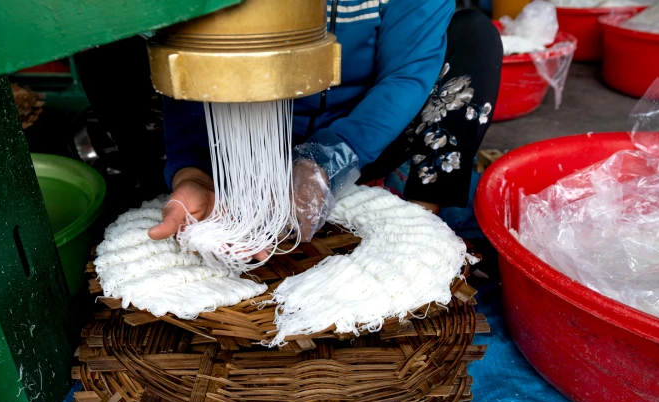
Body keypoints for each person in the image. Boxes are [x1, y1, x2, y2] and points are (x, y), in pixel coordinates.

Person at [149, 1, 502, 247]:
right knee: (113, 43)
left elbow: (405, 76)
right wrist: (193, 172)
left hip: (361, 142)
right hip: (235, 147)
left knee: (473, 36)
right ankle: (190, 193)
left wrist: (325, 161)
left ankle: (417, 224)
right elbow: (191, 66)